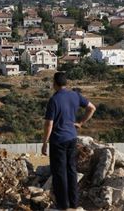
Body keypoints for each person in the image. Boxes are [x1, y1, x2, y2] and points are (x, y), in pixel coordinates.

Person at [41, 72, 96, 210]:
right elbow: (92, 108)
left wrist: (44, 143)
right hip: (72, 138)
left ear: (54, 83)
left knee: (59, 172)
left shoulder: (54, 100)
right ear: (66, 83)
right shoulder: (75, 95)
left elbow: (49, 124)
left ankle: (63, 204)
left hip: (58, 140)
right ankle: (74, 202)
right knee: (71, 169)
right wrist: (81, 123)